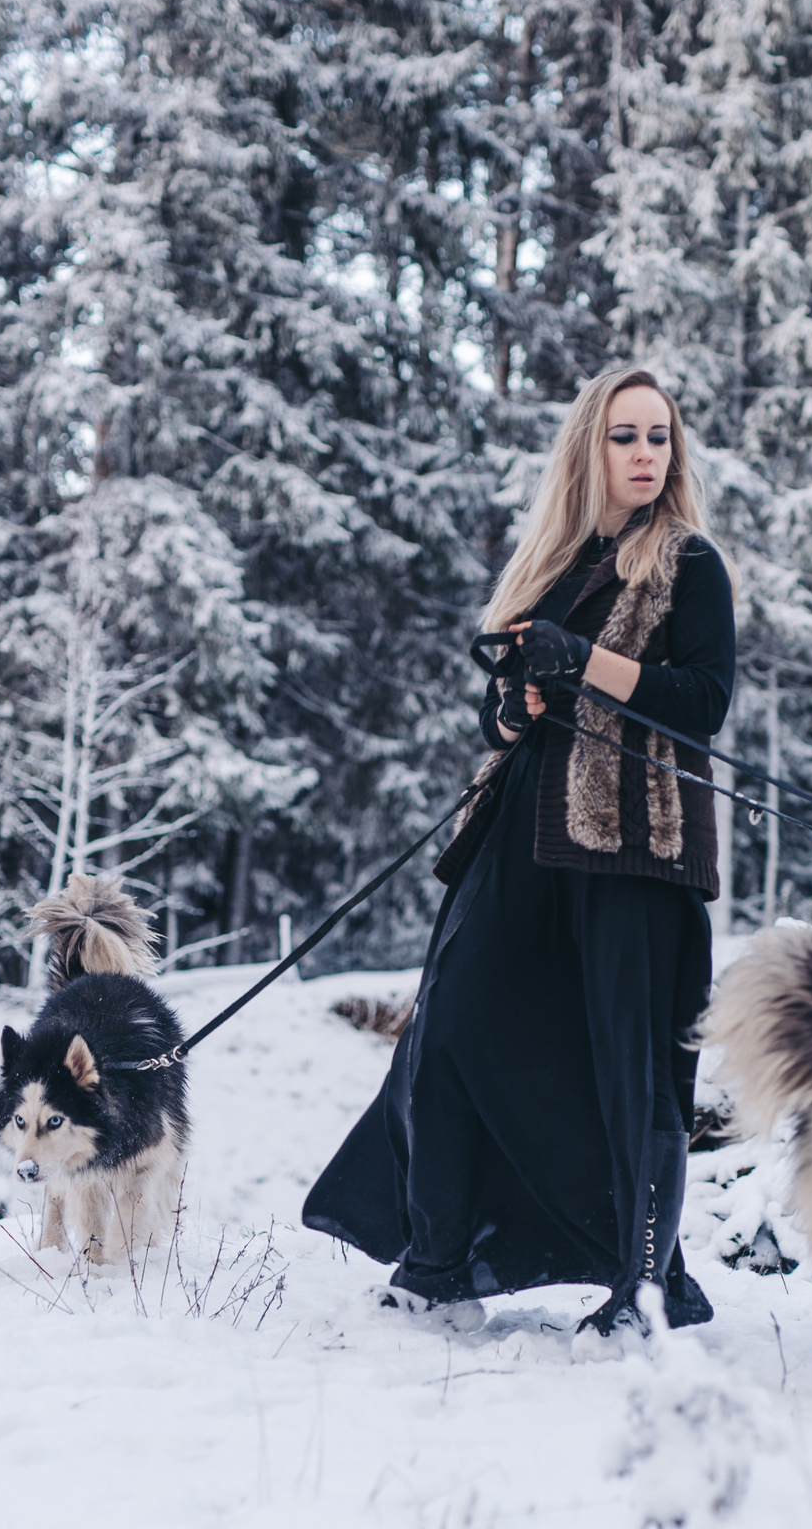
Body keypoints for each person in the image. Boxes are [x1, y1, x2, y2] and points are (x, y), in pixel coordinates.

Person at [303, 368, 736, 1336]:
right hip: (525, 839)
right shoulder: (555, 563)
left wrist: (580, 664)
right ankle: (441, 1256)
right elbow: (508, 717)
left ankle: (644, 1285)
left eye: (657, 437)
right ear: (589, 447)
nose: (643, 455)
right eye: (623, 436)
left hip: (635, 849)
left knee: (632, 1068)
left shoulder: (686, 564)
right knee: (450, 1023)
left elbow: (703, 701)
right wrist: (520, 695)